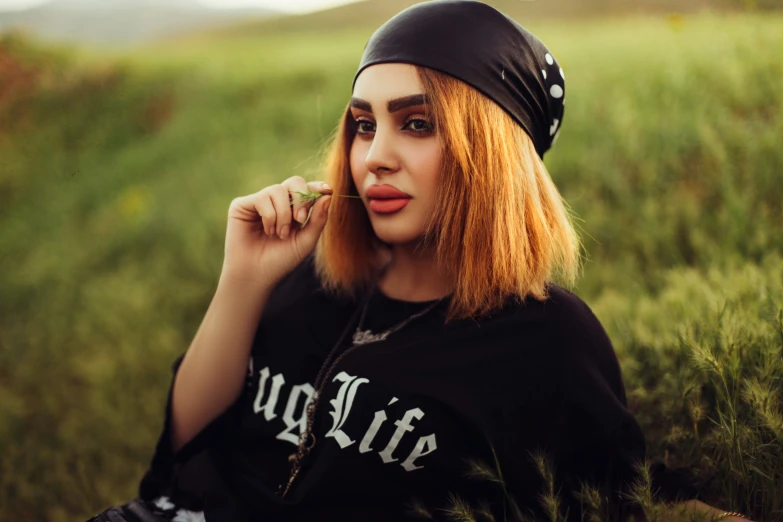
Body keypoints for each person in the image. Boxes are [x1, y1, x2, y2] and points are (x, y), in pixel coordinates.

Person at [87, 1, 753, 521]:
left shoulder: (544, 338)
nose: (374, 153)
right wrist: (243, 278)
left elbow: (615, 492)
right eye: (362, 123)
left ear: (486, 153)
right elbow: (185, 444)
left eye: (416, 123)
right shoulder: (312, 279)